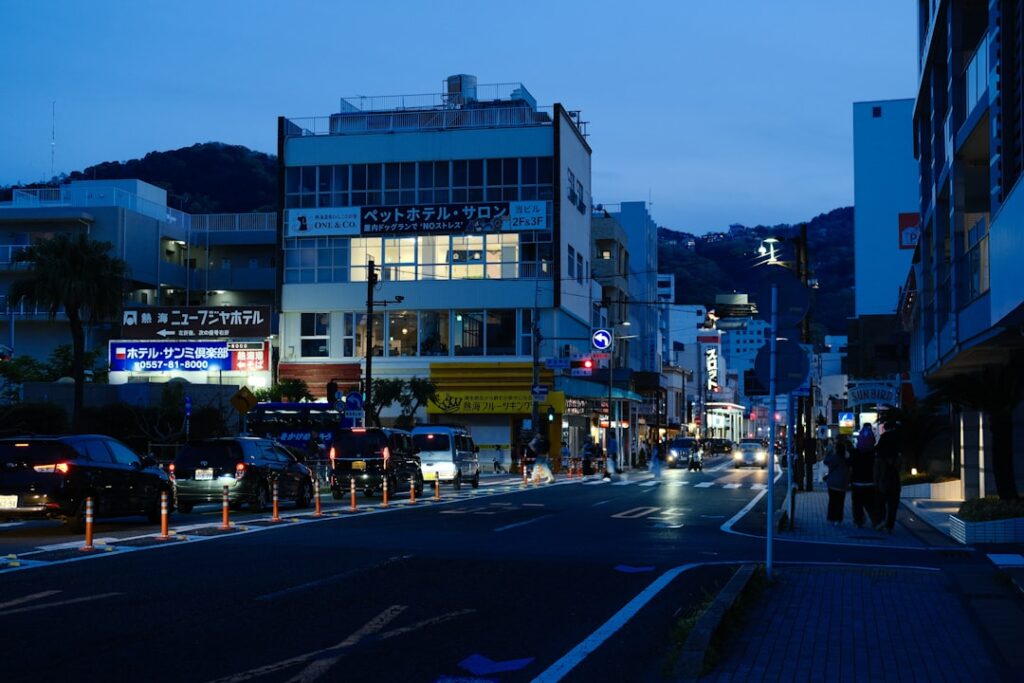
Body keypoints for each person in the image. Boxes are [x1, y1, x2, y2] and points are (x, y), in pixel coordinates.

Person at [873, 421, 903, 533]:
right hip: (895, 483)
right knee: (893, 506)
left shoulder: (880, 457)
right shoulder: (897, 456)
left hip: (883, 482)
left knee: (880, 503)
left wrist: (875, 482)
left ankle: (881, 521)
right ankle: (890, 525)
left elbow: (876, 471)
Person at [848, 434, 878, 529]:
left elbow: (848, 463)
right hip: (870, 482)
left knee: (857, 504)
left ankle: (859, 521)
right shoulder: (873, 454)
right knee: (871, 503)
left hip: (857, 482)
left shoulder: (855, 453)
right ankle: (875, 521)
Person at [823, 437, 851, 525]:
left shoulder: (834, 458)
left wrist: (830, 452)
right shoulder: (846, 459)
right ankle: (839, 519)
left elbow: (825, 461)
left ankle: (831, 517)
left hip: (832, 483)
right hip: (843, 483)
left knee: (832, 500)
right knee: (840, 501)